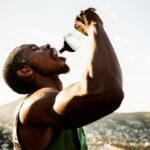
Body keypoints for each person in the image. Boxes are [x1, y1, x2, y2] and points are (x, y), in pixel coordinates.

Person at [3, 8, 124, 150]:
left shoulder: (54, 102)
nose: (46, 45)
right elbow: (105, 88)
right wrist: (94, 25)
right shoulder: (36, 103)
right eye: (35, 49)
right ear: (26, 71)